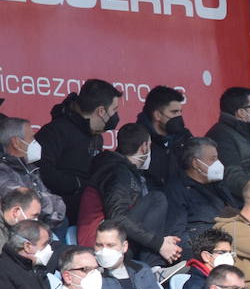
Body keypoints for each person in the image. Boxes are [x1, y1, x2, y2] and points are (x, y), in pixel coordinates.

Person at [82, 123, 179, 264]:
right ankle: (152, 266)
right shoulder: (117, 173)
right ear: (144, 147)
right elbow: (117, 217)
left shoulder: (123, 170)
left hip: (112, 235)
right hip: (101, 242)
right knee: (157, 199)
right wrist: (158, 243)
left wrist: (161, 241)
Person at [38, 79, 118, 221]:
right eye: (114, 110)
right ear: (101, 111)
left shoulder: (97, 138)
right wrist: (78, 184)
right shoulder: (55, 131)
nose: (115, 116)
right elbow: (42, 172)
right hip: (57, 214)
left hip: (89, 212)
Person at [207, 87, 250, 205]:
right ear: (241, 112)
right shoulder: (221, 136)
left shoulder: (246, 134)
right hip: (241, 208)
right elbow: (232, 177)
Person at [0, 115, 64, 229]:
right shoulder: (3, 171)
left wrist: (41, 204)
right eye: (31, 138)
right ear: (16, 142)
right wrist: (43, 205)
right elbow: (25, 203)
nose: (35, 142)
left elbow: (58, 204)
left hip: (42, 232)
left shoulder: (31, 168)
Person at [165, 138, 234, 242]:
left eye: (217, 158)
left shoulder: (218, 185)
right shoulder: (176, 190)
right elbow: (177, 233)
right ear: (195, 163)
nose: (218, 163)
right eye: (212, 159)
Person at [133, 86, 191, 191]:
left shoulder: (184, 136)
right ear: (157, 115)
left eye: (180, 112)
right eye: (174, 112)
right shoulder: (137, 139)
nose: (179, 116)